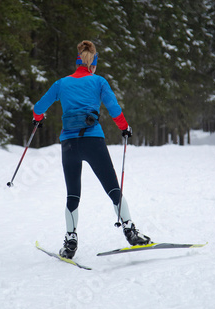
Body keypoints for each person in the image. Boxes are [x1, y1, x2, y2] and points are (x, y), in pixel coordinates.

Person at [33, 40, 150, 259]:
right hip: (93, 142)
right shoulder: (99, 82)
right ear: (93, 65)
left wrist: (37, 120)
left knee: (73, 194)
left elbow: (38, 108)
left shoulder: (61, 84)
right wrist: (125, 128)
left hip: (69, 145)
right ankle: (130, 230)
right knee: (113, 189)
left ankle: (70, 241)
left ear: (77, 62)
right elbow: (114, 109)